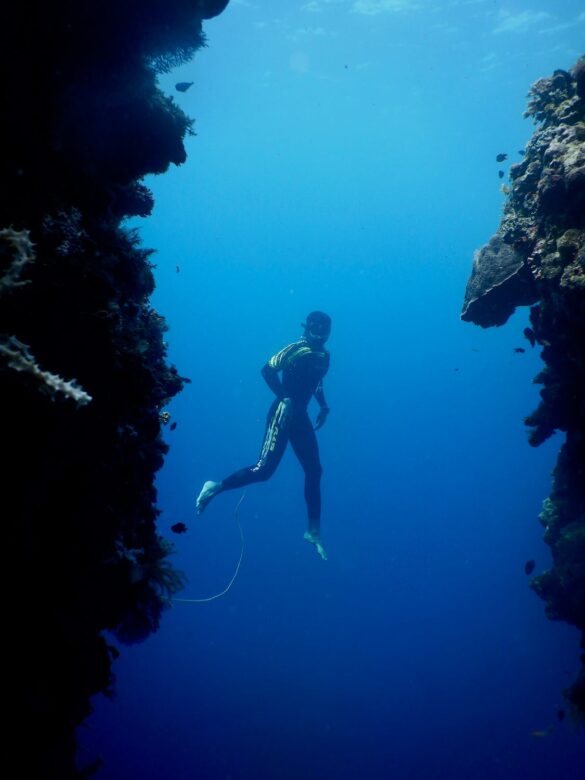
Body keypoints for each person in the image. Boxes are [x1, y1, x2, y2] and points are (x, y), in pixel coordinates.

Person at [196, 311, 332, 560]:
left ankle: (313, 531)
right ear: (307, 327)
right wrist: (285, 397)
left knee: (315, 471)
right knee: (263, 470)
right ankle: (215, 487)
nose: (320, 333)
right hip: (282, 413)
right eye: (315, 327)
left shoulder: (324, 356)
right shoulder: (295, 349)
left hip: (300, 417)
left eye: (324, 329)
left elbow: (317, 382)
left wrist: (323, 405)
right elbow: (267, 370)